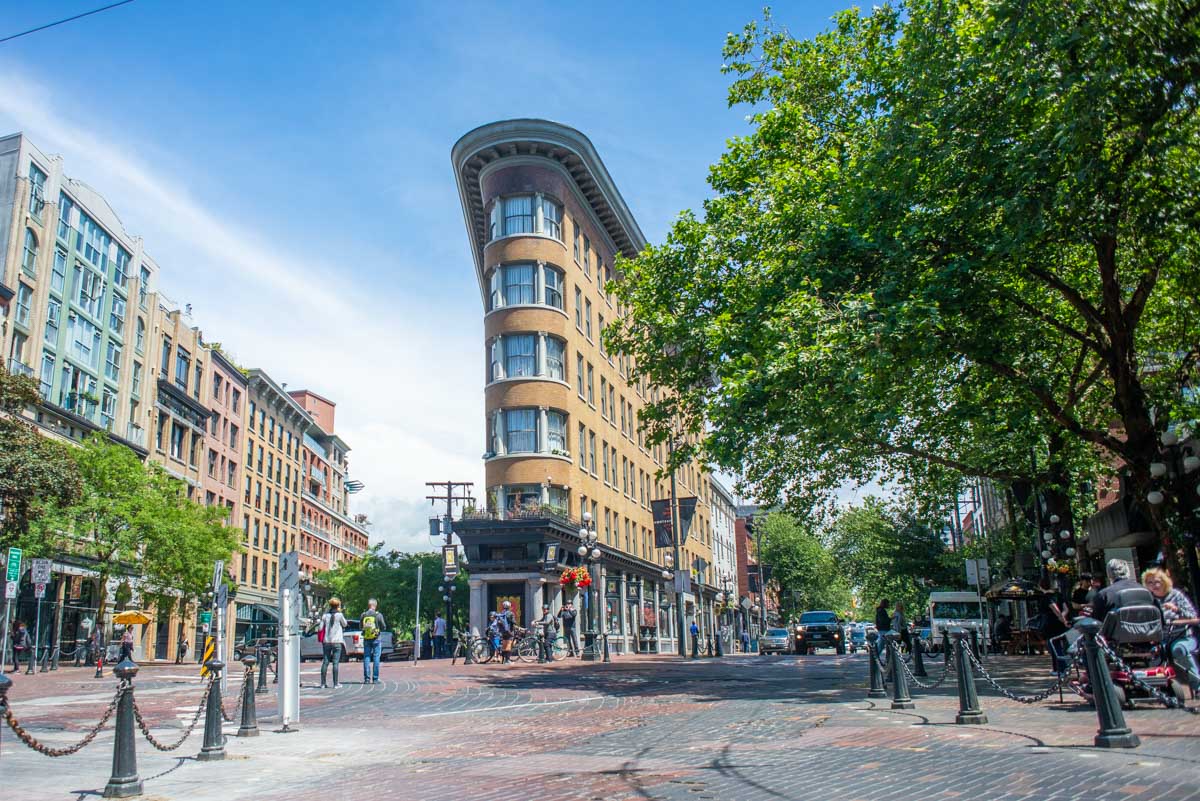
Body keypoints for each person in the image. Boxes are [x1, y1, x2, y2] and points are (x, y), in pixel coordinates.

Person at [1142, 568, 1200, 695]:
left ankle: (1198, 686)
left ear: (1164, 581)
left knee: (1178, 650)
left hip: (1183, 637)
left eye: (1157, 582)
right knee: (1152, 654)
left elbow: (1193, 617)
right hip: (1161, 639)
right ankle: (1157, 689)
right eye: (1149, 583)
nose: (1154, 586)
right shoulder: (1149, 600)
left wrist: (1177, 610)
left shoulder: (1176, 595)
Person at [1088, 559, 1142, 624]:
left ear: (1109, 574)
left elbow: (1096, 622)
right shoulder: (1145, 591)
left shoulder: (1103, 595)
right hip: (1149, 633)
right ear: (1128, 571)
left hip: (1119, 633)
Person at [1038, 579, 1071, 673]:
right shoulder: (1059, 595)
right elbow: (1066, 609)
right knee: (1061, 645)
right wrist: (1062, 617)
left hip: (1051, 625)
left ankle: (1060, 668)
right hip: (1060, 624)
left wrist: (1061, 618)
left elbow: (1054, 609)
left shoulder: (1046, 597)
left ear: (1041, 587)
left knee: (1054, 646)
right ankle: (1061, 667)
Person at [319, 598, 348, 688]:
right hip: (337, 641)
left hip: (327, 641)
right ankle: (335, 684)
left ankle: (323, 683)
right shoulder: (339, 615)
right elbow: (345, 624)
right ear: (338, 605)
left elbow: (320, 628)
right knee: (335, 662)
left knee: (325, 662)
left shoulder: (324, 616)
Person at [360, 598, 387, 684]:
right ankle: (375, 679)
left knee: (366, 657)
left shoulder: (363, 615)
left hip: (366, 638)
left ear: (368, 605)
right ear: (375, 605)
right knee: (376, 658)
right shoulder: (378, 615)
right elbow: (383, 627)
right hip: (376, 638)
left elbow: (360, 627)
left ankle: (367, 679)